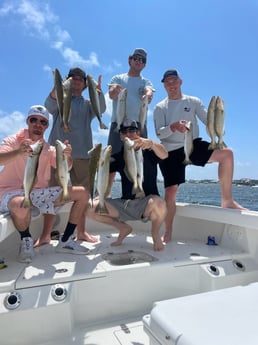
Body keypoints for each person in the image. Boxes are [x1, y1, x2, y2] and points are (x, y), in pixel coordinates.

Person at [153, 69, 247, 244]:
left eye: (174, 80)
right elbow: (160, 133)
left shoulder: (193, 101)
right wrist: (173, 126)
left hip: (193, 143)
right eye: (167, 82)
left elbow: (208, 121)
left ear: (180, 81)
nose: (171, 84)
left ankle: (227, 201)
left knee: (227, 155)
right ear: (164, 85)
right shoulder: (160, 107)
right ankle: (169, 230)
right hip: (170, 150)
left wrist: (219, 123)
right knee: (170, 192)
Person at [0, 105, 90, 263]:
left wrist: (67, 157)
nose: (38, 124)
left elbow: (66, 167)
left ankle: (66, 240)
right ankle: (26, 240)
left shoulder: (47, 148)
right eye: (34, 120)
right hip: (10, 193)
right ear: (28, 121)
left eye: (42, 122)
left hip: (37, 193)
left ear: (46, 126)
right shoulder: (13, 140)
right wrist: (18, 152)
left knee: (82, 193)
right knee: (21, 204)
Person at [41, 67, 106, 246]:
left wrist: (98, 91)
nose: (76, 80)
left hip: (84, 154)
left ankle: (81, 231)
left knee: (83, 196)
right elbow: (49, 105)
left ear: (85, 84)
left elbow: (101, 108)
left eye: (80, 78)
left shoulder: (87, 104)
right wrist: (60, 86)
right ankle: (46, 234)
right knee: (53, 193)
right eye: (73, 78)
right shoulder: (60, 100)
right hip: (58, 153)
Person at [87, 119, 168, 251]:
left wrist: (151, 143)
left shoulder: (150, 152)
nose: (128, 134)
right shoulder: (118, 156)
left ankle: (155, 234)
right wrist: (98, 157)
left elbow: (164, 154)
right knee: (90, 207)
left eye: (132, 130)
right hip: (125, 204)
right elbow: (104, 174)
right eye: (124, 131)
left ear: (138, 132)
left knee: (160, 204)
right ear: (120, 136)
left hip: (146, 204)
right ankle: (123, 228)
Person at [106, 48, 155, 195]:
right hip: (118, 125)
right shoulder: (118, 78)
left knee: (142, 159)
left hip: (139, 125)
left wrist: (148, 94)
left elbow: (149, 90)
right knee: (112, 160)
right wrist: (114, 91)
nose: (139, 61)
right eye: (136, 58)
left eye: (142, 60)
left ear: (145, 64)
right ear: (130, 60)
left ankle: (141, 190)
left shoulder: (146, 81)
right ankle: (105, 193)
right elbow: (111, 93)